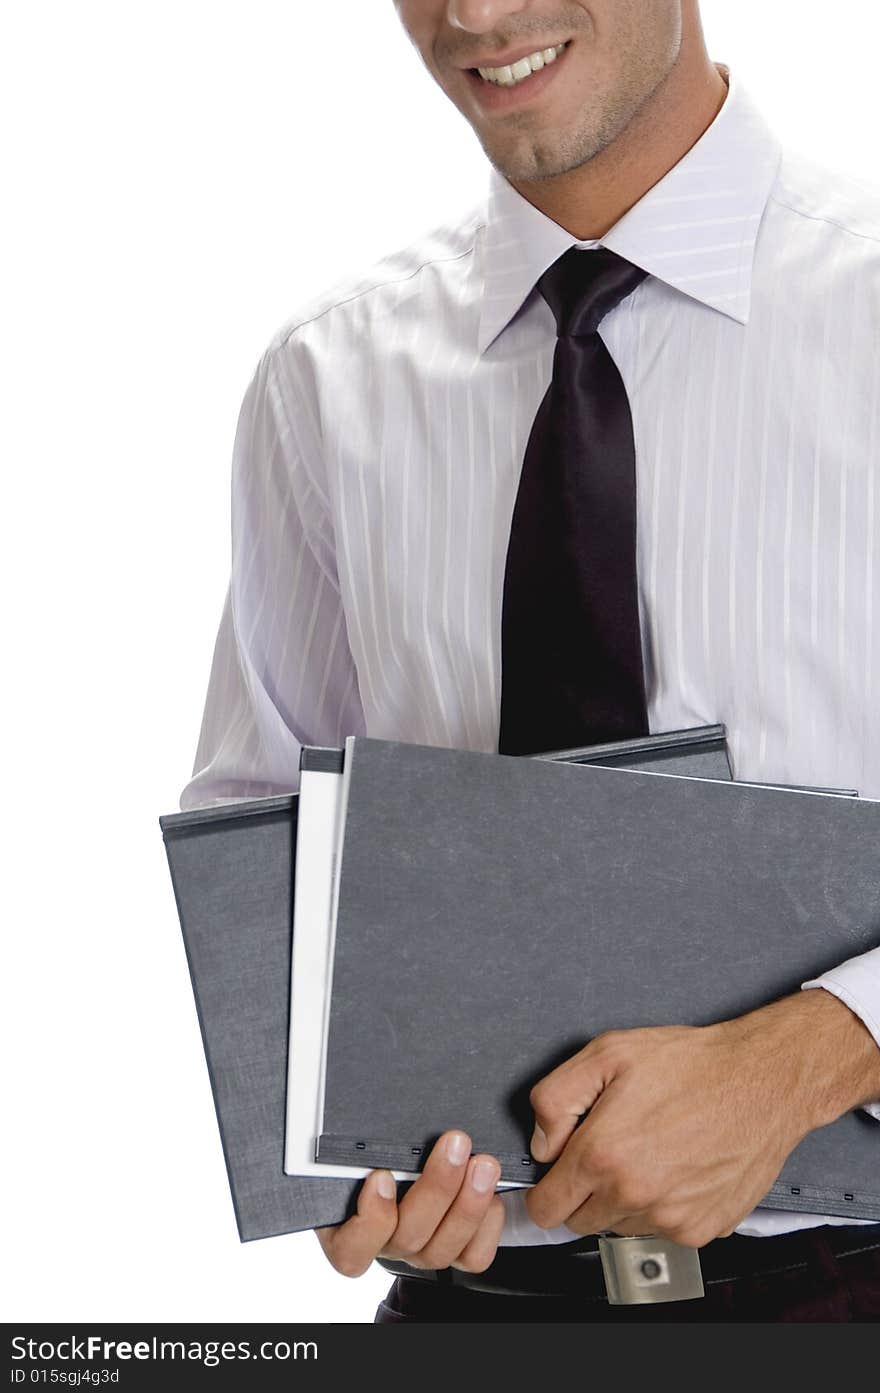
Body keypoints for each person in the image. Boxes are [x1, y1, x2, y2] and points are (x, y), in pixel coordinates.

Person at [178, 0, 880, 1321]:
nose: (477, 15)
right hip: (478, 1309)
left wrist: (815, 1056)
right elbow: (267, 834)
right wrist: (342, 1147)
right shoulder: (327, 381)